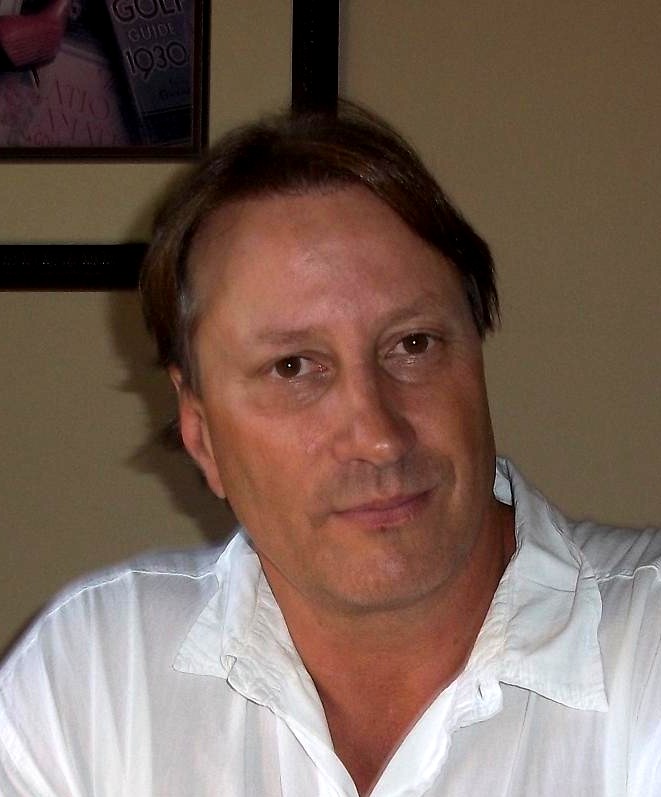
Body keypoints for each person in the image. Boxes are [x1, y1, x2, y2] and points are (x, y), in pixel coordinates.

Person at [1, 102, 660, 797]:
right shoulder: (95, 683)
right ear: (200, 434)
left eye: (413, 344)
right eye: (293, 367)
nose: (377, 435)